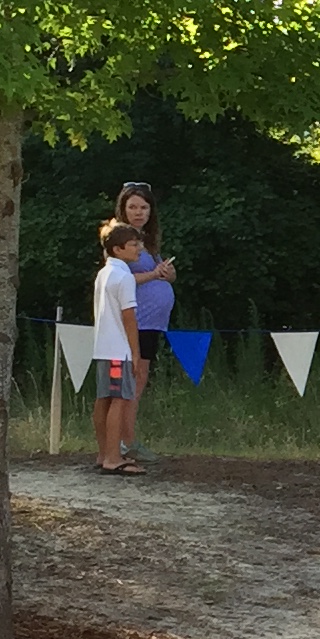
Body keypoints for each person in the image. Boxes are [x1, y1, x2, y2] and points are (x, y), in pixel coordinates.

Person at [116, 182, 175, 459]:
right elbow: (121, 278)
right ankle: (124, 441)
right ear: (123, 209)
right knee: (132, 380)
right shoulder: (121, 240)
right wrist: (153, 275)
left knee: (139, 380)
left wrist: (168, 274)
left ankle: (128, 438)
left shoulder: (147, 241)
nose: (139, 212)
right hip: (136, 319)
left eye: (143, 207)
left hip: (152, 321)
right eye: (133, 207)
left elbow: (161, 274)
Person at [90, 218, 145, 474]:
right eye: (133, 244)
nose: (139, 249)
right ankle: (113, 457)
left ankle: (104, 453)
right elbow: (129, 317)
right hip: (118, 350)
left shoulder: (103, 273)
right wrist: (135, 352)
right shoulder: (124, 277)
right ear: (117, 249)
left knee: (104, 399)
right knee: (119, 399)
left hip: (103, 347)